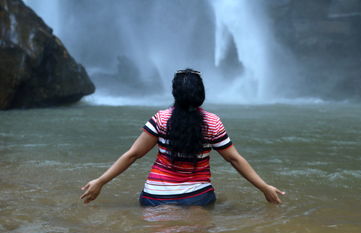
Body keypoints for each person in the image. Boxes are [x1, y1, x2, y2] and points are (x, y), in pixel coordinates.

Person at [80, 69, 285, 206]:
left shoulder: (161, 119)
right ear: (200, 93)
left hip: (154, 198)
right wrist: (264, 187)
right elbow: (234, 159)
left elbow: (133, 155)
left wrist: (101, 181)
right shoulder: (212, 122)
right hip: (197, 198)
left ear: (175, 93)